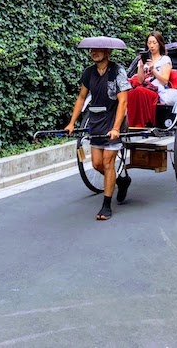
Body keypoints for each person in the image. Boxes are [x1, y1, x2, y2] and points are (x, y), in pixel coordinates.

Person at [65, 41, 131, 220]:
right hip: (96, 121)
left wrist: (117, 128)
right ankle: (121, 181)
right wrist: (72, 123)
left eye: (98, 50)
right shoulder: (89, 73)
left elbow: (123, 102)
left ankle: (106, 205)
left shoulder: (118, 71)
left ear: (108, 52)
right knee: (96, 164)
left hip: (113, 120)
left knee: (108, 163)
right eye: (92, 50)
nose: (94, 52)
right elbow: (81, 97)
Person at [127, 31, 177, 127]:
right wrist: (140, 66)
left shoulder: (165, 59)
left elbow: (165, 81)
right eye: (149, 43)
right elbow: (140, 81)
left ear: (159, 44)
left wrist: (153, 69)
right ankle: (131, 124)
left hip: (157, 91)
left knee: (139, 91)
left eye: (154, 43)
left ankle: (140, 124)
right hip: (144, 87)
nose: (151, 46)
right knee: (132, 92)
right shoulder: (143, 61)